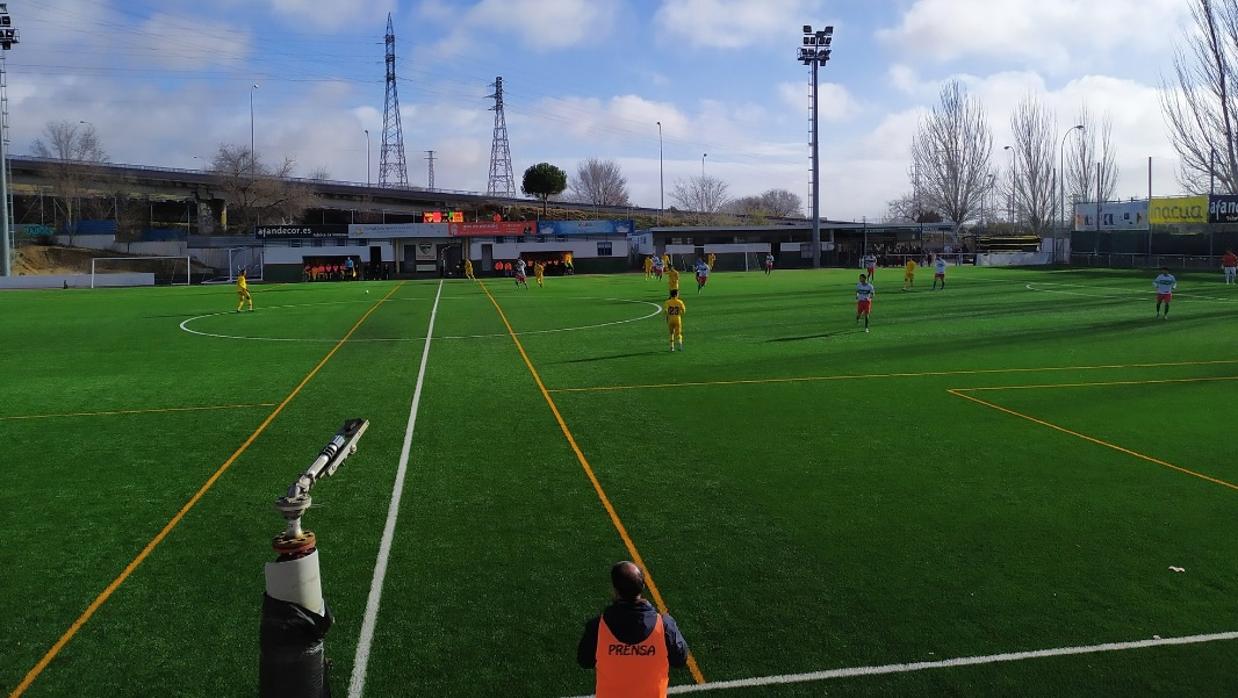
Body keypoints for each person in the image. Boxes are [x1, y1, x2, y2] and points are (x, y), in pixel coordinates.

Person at [577, 562, 689, 697]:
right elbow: (680, 659)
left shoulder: (598, 626)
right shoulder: (664, 625)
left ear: (615, 590)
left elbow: (584, 660)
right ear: (642, 586)